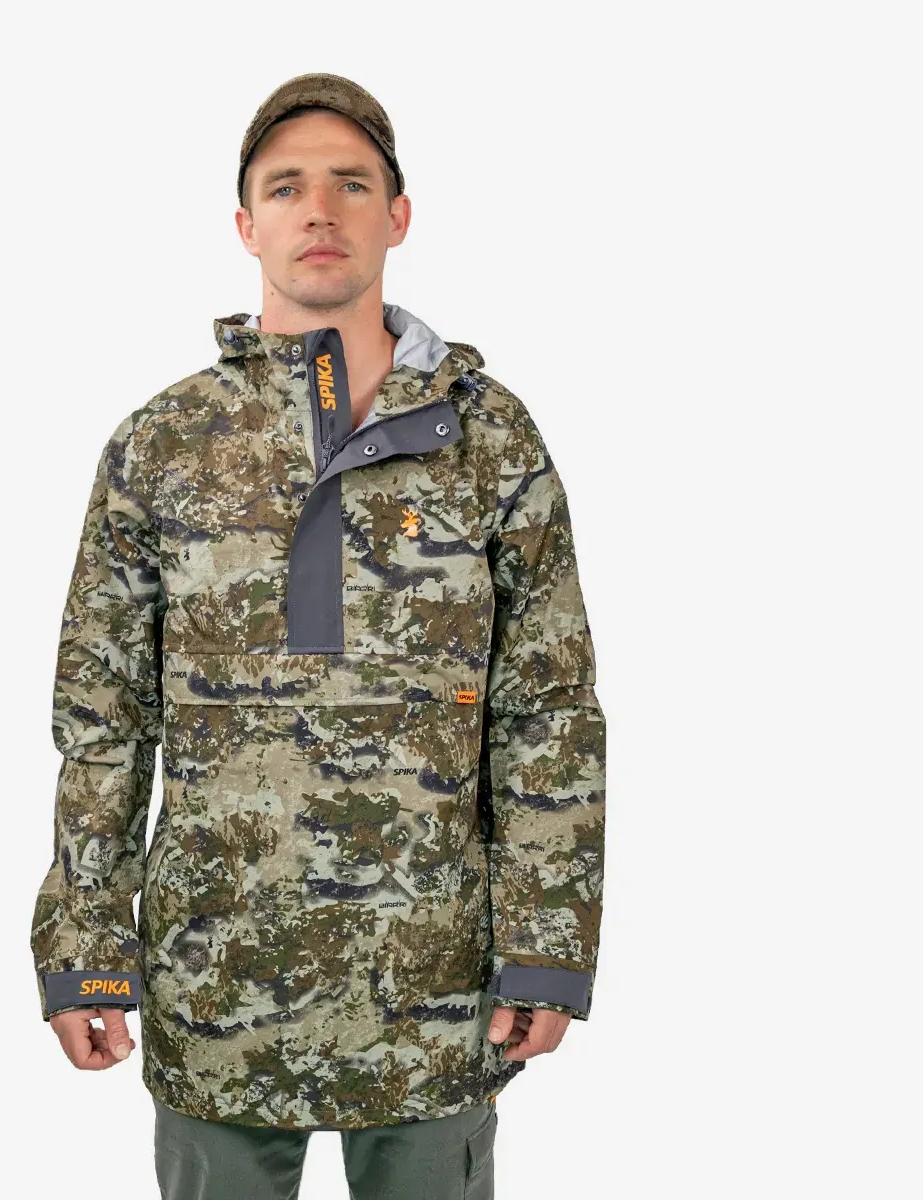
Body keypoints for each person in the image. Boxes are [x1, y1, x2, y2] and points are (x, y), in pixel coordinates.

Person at [29, 72, 607, 1200]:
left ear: (399, 215)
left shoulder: (489, 439)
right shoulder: (162, 443)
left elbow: (548, 712)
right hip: (216, 988)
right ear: (247, 225)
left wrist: (549, 945)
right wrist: (87, 949)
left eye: (352, 182)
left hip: (436, 996)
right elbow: (102, 721)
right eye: (286, 186)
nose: (320, 209)